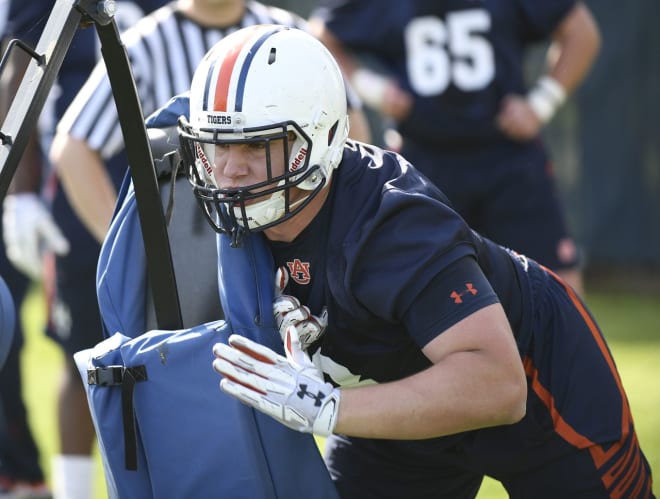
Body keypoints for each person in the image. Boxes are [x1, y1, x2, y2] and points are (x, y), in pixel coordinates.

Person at [175, 25, 653, 498]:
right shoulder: (248, 212)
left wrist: (326, 406)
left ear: (317, 140)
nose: (230, 170)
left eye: (256, 146)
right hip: (397, 392)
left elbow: (499, 385)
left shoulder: (389, 225)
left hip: (534, 379)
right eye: (217, 146)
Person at [307, 0, 602, 297]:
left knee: (558, 287)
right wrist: (374, 88)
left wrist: (542, 103)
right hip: (423, 162)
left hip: (508, 156)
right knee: (414, 288)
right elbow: (321, 37)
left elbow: (581, 31)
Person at [1, 2, 168, 498]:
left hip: (178, 184)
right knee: (84, 356)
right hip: (78, 184)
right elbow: (23, 64)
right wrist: (22, 192)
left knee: (183, 352)